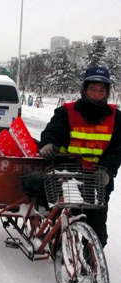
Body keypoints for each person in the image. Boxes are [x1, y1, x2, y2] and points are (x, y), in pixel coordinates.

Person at [39, 66, 121, 247]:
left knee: (98, 231)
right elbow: (52, 131)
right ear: (84, 89)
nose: (96, 94)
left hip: (98, 177)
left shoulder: (116, 117)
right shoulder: (66, 112)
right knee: (66, 220)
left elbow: (118, 149)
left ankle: (93, 268)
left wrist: (108, 170)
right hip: (68, 173)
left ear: (107, 92)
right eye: (93, 89)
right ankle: (62, 253)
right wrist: (48, 144)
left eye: (101, 90)